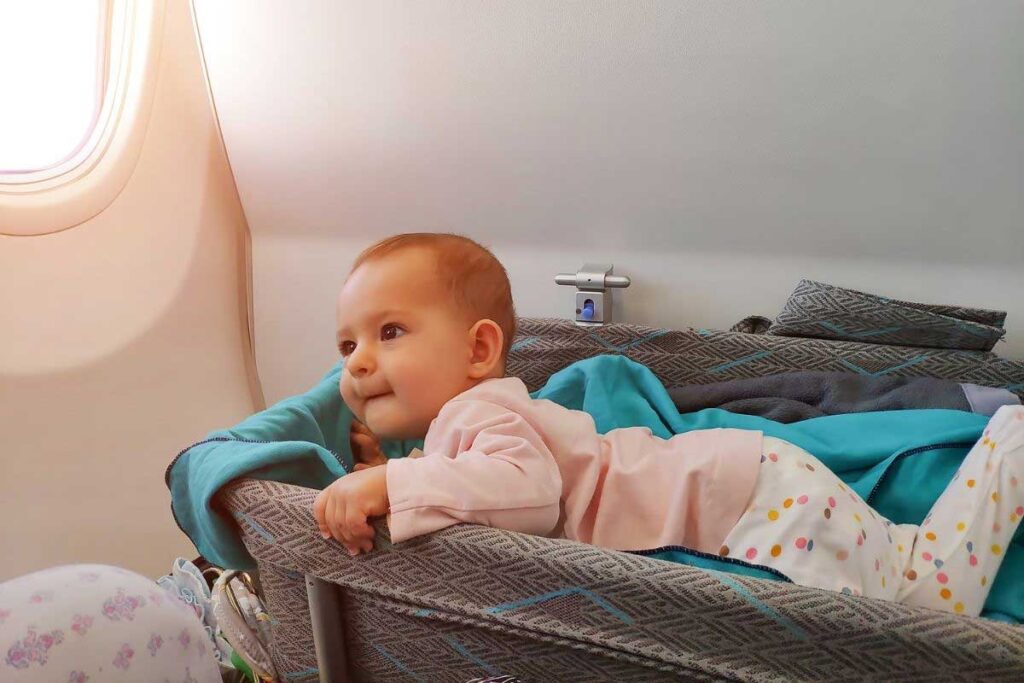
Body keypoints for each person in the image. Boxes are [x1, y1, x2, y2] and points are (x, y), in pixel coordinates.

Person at [313, 233, 1024, 617]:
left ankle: (1008, 446)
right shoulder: (472, 421)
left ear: (478, 349)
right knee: (890, 554)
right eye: (348, 345)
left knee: (918, 605)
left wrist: (395, 481)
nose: (360, 361)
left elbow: (524, 490)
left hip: (749, 503)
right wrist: (391, 462)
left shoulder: (482, 412)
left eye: (391, 331)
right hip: (749, 480)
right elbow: (474, 475)